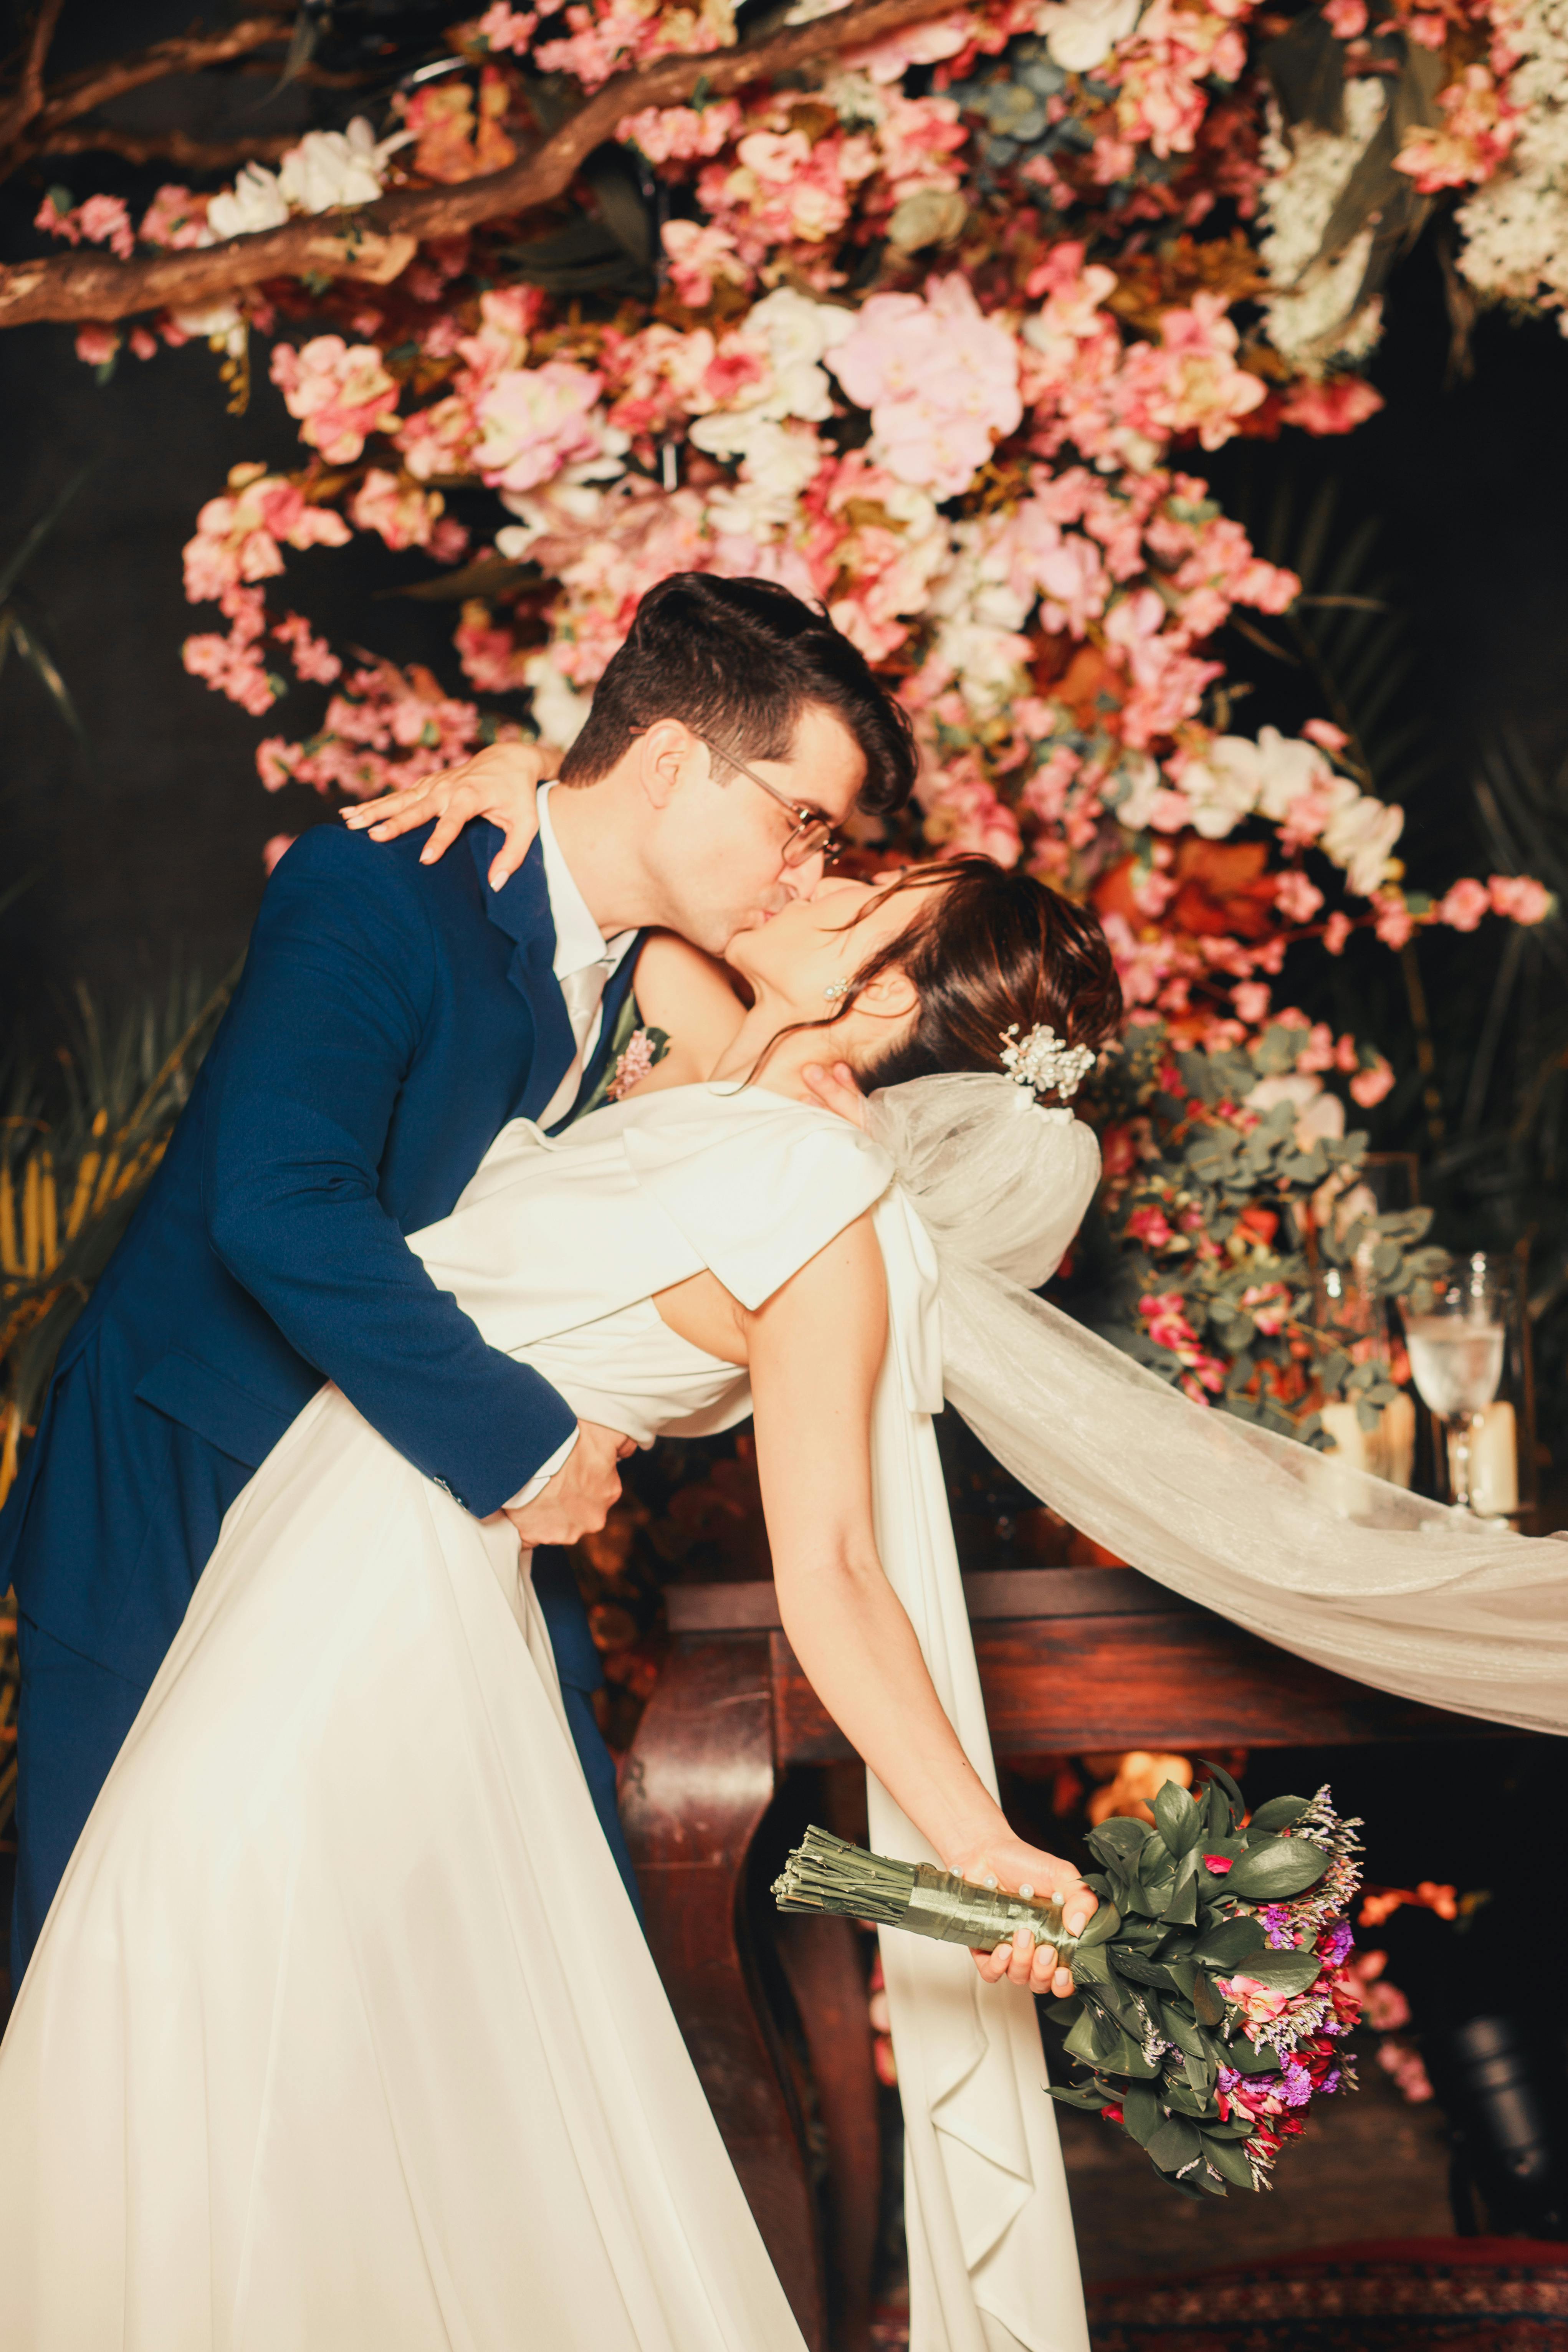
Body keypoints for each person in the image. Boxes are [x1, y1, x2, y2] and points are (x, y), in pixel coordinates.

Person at [0, 852, 1122, 2352]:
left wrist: (978, 1842)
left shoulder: (819, 1201)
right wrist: (514, 771)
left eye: (870, 900)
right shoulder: (702, 1093)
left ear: (883, 1006)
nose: (820, 874)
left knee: (188, 1993)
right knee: (206, 2022)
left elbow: (837, 1565)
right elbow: (622, 843)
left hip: (384, 1618)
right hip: (296, 1565)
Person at [0, 572, 918, 1978]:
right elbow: (281, 1208)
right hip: (191, 1480)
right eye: (801, 821)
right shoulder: (378, 883)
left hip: (425, 1518)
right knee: (118, 1970)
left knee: (510, 1956)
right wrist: (525, 1448)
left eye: (829, 842)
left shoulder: (667, 982)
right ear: (672, 761)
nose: (810, 868)